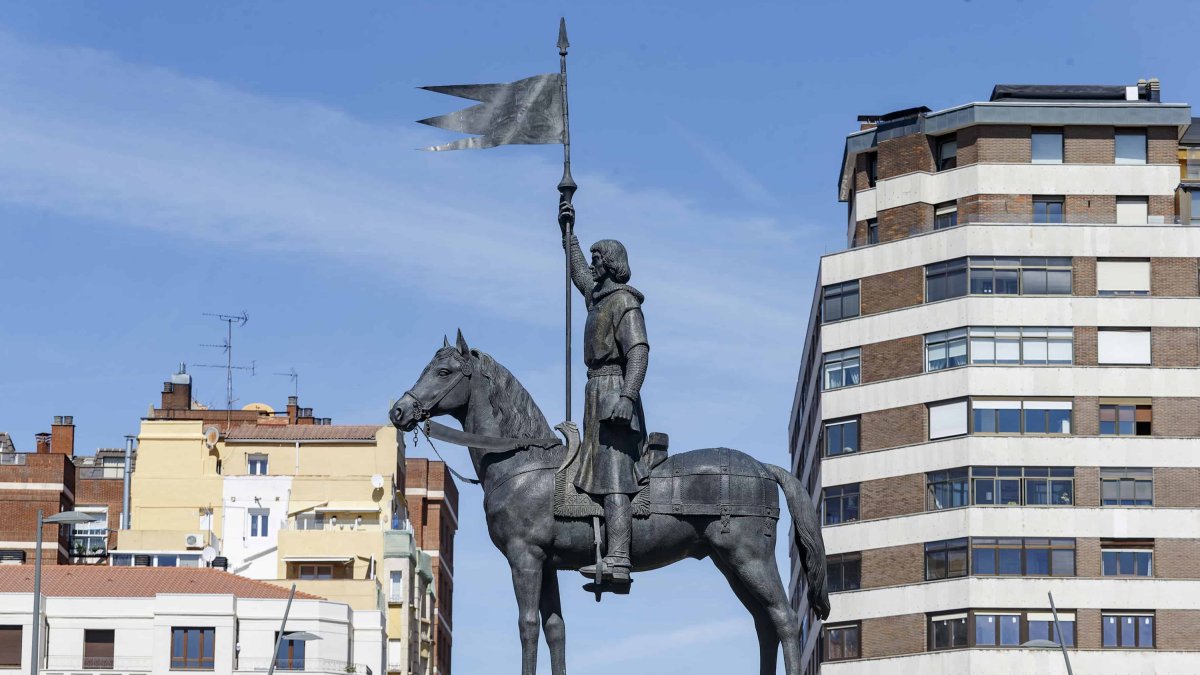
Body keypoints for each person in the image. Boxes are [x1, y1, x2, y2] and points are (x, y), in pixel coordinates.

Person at [559, 198, 649, 583]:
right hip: (594, 392)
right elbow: (579, 274)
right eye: (592, 259)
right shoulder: (597, 297)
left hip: (614, 392)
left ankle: (619, 558)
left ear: (610, 263)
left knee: (614, 476)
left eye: (598, 259)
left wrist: (627, 398)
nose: (593, 266)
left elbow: (639, 351)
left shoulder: (625, 302)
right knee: (595, 472)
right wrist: (568, 233)